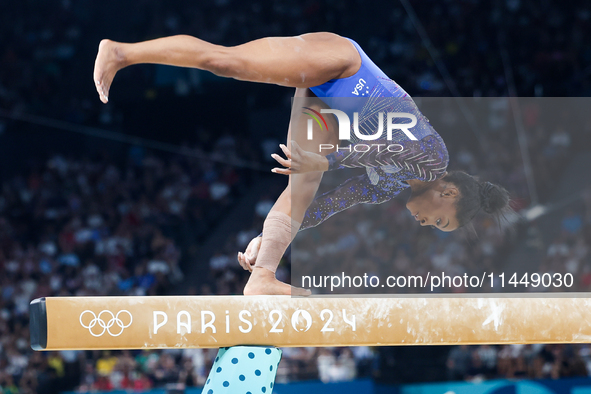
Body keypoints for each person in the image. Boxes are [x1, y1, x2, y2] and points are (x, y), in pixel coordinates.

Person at [93, 32, 512, 296]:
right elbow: (387, 150)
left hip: (329, 111)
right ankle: (122, 51)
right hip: (344, 70)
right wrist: (331, 158)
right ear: (448, 193)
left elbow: (324, 207)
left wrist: (265, 240)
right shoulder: (434, 158)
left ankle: (263, 277)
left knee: (303, 186)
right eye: (442, 222)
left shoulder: (387, 188)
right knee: (226, 62)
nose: (427, 226)